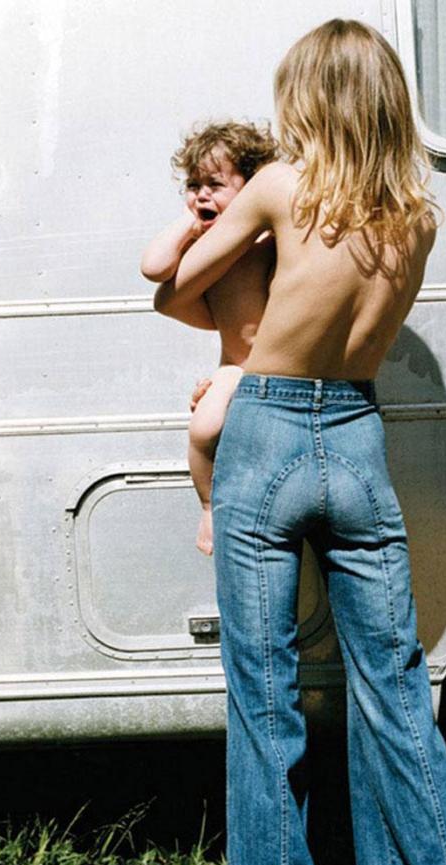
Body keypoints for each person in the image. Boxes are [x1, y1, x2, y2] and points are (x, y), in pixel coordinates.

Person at [154, 19, 446, 865]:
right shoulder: (417, 215)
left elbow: (179, 284)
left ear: (305, 99)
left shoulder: (277, 188)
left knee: (266, 702)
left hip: (267, 433)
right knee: (395, 695)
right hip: (354, 434)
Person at [140, 122, 277, 555]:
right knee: (204, 428)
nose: (201, 194)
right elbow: (154, 267)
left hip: (274, 364)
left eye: (215, 184)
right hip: (235, 366)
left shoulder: (267, 237)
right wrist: (187, 223)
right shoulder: (200, 241)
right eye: (193, 185)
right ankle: (208, 506)